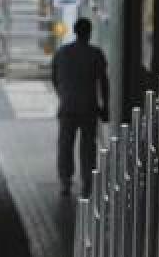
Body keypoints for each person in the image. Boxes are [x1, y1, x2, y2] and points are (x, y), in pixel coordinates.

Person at [51, 18, 109, 197]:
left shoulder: (61, 53)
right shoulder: (96, 54)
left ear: (74, 31)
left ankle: (65, 182)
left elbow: (54, 78)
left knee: (65, 145)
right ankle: (87, 184)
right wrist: (105, 106)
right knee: (88, 148)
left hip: (67, 107)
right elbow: (103, 82)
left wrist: (63, 96)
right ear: (89, 32)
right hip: (88, 108)